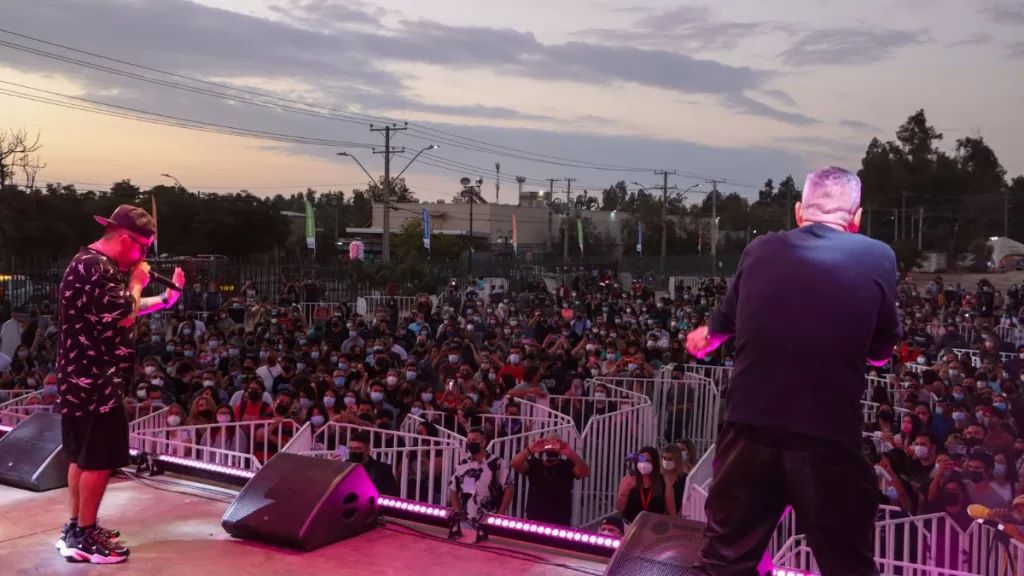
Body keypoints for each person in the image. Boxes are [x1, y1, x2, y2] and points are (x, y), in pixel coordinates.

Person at [685, 167, 901, 575]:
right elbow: (879, 353)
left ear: (800, 211)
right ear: (856, 218)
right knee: (846, 563)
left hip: (749, 429)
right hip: (827, 436)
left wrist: (702, 338)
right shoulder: (878, 255)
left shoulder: (760, 249)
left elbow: (717, 330)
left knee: (723, 561)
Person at [56, 205, 184, 564]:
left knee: (82, 457)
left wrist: (163, 300)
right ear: (125, 238)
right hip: (95, 380)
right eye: (142, 249)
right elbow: (125, 309)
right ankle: (84, 537)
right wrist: (139, 282)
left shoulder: (88, 263)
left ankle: (77, 527)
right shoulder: (97, 267)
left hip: (81, 376)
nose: (143, 258)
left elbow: (118, 309)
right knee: (97, 459)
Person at [509, 434, 590, 526]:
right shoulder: (534, 463)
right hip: (535, 518)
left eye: (554, 444)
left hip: (560, 520)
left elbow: (585, 472)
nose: (551, 447)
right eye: (548, 444)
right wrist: (530, 450)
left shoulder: (567, 465)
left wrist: (571, 453)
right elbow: (514, 464)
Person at [346, 430, 400, 497]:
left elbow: (393, 494)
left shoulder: (383, 469)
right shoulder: (343, 467)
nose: (354, 452)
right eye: (351, 449)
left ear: (368, 450)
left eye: (358, 449)